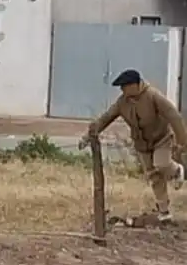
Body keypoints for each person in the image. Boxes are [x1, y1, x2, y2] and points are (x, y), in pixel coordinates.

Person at [80, 68, 187, 222]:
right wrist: (88, 135)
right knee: (153, 175)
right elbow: (107, 117)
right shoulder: (122, 102)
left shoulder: (153, 96)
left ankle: (176, 171)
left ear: (135, 85)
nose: (122, 90)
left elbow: (173, 115)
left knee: (162, 164)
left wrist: (182, 142)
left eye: (124, 86)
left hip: (161, 138)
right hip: (141, 144)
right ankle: (164, 211)